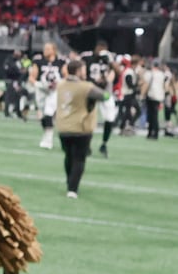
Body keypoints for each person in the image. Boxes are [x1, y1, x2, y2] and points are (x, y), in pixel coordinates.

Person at [53, 57, 104, 198]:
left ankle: (70, 181)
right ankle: (72, 188)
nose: (85, 72)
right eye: (83, 70)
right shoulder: (86, 87)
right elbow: (104, 96)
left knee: (68, 157)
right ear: (78, 71)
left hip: (63, 126)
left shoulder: (61, 85)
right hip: (80, 128)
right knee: (79, 159)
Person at [84, 39, 120, 156]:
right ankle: (87, 144)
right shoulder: (88, 57)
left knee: (110, 118)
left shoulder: (109, 59)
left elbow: (118, 72)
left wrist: (111, 61)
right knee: (88, 118)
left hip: (105, 93)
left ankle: (104, 144)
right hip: (92, 91)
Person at [29, 40, 66, 149]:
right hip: (41, 90)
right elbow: (32, 77)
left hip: (54, 91)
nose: (45, 51)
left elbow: (66, 75)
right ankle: (46, 134)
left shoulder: (60, 61)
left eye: (48, 49)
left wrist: (59, 84)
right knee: (44, 116)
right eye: (45, 49)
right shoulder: (38, 60)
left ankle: (48, 139)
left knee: (49, 112)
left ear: (54, 50)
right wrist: (40, 84)